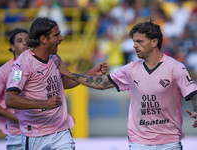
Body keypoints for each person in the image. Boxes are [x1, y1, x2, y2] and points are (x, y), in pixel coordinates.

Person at [57, 19, 197, 150]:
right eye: (134, 41)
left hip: (169, 142)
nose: (134, 45)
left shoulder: (175, 67)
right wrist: (69, 74)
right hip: (139, 142)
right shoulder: (130, 69)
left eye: (139, 42)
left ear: (154, 42)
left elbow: (193, 93)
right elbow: (103, 83)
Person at [5, 17, 107, 150]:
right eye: (56, 35)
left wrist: (91, 72)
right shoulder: (22, 64)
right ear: (43, 39)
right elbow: (10, 99)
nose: (61, 38)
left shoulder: (55, 58)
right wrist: (44, 104)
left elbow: (63, 83)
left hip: (60, 132)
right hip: (35, 135)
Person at [0, 28, 29, 150]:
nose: (25, 43)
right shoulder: (3, 72)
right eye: (20, 40)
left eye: (27, 40)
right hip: (16, 133)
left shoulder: (38, 65)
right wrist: (14, 118)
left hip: (40, 130)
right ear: (12, 46)